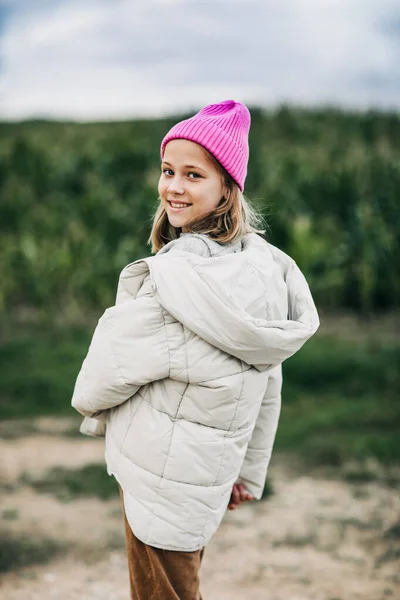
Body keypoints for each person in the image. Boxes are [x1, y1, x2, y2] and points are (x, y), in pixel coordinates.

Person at [71, 99, 320, 600]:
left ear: (227, 187)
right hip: (206, 477)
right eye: (167, 170)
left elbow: (103, 370)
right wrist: (249, 470)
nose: (174, 187)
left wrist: (90, 407)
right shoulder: (265, 272)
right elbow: (267, 382)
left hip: (157, 477)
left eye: (193, 174)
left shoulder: (174, 282)